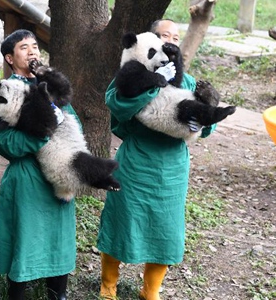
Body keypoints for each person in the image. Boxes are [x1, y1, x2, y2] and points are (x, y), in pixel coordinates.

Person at [97, 19, 217, 300]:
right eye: (165, 36)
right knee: (122, 222)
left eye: (176, 36)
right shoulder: (131, 74)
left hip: (172, 168)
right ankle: (108, 285)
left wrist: (204, 121)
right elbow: (116, 104)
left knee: (166, 231)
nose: (172, 41)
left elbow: (207, 125)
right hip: (137, 162)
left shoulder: (186, 80)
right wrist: (154, 84)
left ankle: (150, 291)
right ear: (150, 40)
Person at [0, 29, 81, 300]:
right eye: (23, 48)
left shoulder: (51, 86)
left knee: (59, 238)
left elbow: (73, 123)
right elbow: (5, 142)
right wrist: (43, 133)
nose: (32, 51)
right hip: (27, 177)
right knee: (24, 239)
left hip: (59, 175)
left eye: (35, 46)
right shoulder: (5, 92)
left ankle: (58, 295)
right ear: (9, 58)